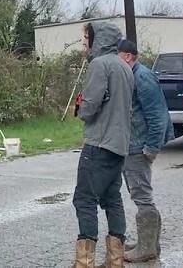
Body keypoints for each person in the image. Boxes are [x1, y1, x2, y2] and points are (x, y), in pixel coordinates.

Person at [72, 21, 134, 268]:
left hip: (98, 143)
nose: (84, 42)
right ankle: (115, 261)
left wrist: (81, 107)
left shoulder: (99, 65)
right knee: (112, 198)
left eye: (86, 37)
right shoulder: (124, 66)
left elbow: (90, 107)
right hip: (120, 145)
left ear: (98, 39)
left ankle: (84, 262)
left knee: (84, 199)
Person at [116, 39, 174, 263]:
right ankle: (148, 242)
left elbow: (157, 115)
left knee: (142, 195)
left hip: (139, 146)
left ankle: (147, 247)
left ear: (128, 56)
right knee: (138, 193)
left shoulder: (142, 77)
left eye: (118, 57)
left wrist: (151, 147)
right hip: (133, 143)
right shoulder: (134, 75)